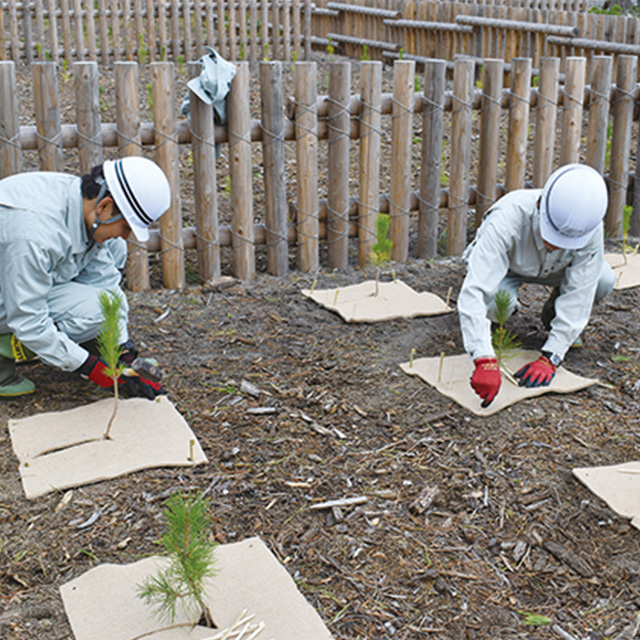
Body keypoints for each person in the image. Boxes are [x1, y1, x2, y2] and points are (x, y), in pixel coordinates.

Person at [0, 156, 171, 398]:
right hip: (9, 291)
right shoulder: (33, 235)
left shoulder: (85, 202)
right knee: (72, 315)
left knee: (113, 252)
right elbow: (28, 319)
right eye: (126, 227)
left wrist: (123, 352)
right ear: (105, 207)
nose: (125, 235)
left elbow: (103, 285)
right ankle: (4, 357)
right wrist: (91, 368)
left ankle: (79, 347)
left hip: (23, 276)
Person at [458, 163, 616, 408]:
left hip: (556, 271)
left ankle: (553, 316)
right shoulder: (507, 217)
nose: (555, 245)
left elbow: (582, 289)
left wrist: (553, 354)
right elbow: (475, 290)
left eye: (565, 241)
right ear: (541, 205)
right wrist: (483, 357)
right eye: (551, 235)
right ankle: (495, 320)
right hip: (505, 268)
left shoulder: (588, 224)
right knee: (496, 303)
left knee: (603, 279)